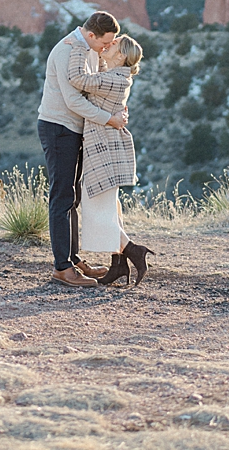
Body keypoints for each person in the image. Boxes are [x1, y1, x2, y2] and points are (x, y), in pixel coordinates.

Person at [37, 11, 127, 288]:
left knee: (72, 197)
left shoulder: (87, 49)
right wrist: (109, 119)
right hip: (59, 128)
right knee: (62, 197)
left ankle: (73, 259)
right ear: (91, 35)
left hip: (73, 129)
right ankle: (62, 268)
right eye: (105, 42)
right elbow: (74, 101)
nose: (107, 47)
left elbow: (94, 88)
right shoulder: (68, 51)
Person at [66, 34, 155, 285]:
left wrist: (78, 48)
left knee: (97, 212)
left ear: (121, 56)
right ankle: (118, 266)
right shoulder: (117, 76)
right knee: (106, 209)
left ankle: (134, 251)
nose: (108, 44)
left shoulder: (114, 80)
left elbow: (77, 79)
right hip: (104, 148)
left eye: (113, 44)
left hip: (103, 150)